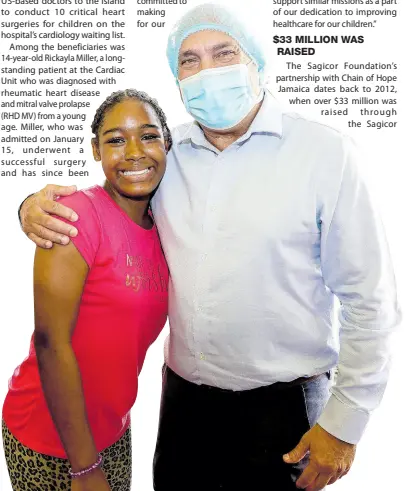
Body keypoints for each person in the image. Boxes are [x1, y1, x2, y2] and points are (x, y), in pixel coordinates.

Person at [17, 3, 400, 491]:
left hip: (284, 409)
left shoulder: (325, 155)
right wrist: (30, 204)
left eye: (224, 53)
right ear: (178, 81)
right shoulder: (166, 155)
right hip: (185, 408)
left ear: (256, 62)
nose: (208, 71)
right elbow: (109, 200)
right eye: (190, 61)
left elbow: (371, 299)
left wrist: (346, 424)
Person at [2, 89, 170, 491]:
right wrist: (83, 466)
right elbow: (50, 342)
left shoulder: (167, 221)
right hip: (50, 437)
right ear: (96, 150)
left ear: (168, 142)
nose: (133, 152)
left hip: (113, 427)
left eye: (148, 136)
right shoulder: (76, 215)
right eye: (115, 140)